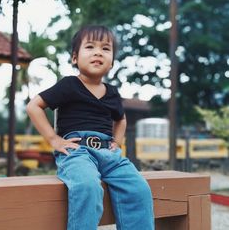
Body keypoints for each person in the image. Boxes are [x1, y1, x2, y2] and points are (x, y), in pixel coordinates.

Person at [26, 25, 154, 230]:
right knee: (87, 186)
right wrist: (54, 139)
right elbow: (34, 106)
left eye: (105, 48)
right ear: (75, 58)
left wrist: (117, 142)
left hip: (109, 155)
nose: (97, 52)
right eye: (90, 47)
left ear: (112, 61)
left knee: (139, 189)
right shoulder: (69, 85)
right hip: (77, 152)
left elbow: (121, 120)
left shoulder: (112, 92)